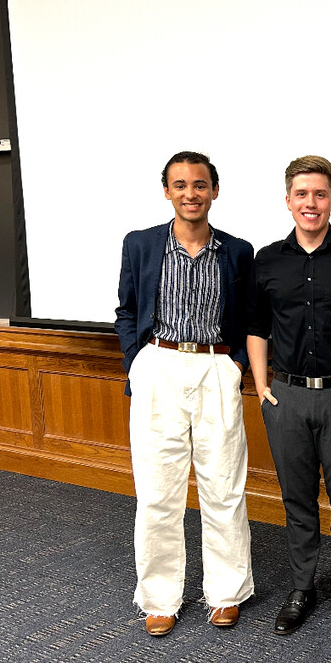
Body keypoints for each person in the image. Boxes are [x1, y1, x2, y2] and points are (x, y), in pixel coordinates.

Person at [115, 151, 255, 637]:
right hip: (159, 364)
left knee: (223, 487)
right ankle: (159, 597)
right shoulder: (141, 245)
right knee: (157, 490)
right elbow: (127, 310)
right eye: (180, 185)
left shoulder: (238, 251)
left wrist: (235, 364)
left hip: (216, 365)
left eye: (200, 184)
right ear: (167, 192)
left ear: (214, 191)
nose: (190, 194)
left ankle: (226, 592)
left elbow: (248, 318)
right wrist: (137, 362)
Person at [247, 155, 331, 639]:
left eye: (319, 194)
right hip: (285, 397)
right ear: (288, 201)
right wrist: (262, 387)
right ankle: (301, 588)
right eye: (302, 194)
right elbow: (257, 327)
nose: (311, 203)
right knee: (296, 499)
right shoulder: (267, 260)